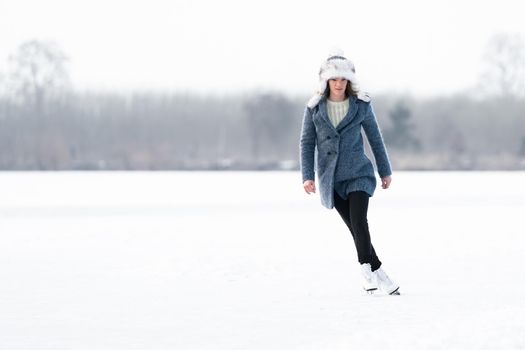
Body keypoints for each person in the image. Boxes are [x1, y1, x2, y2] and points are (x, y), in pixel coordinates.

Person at [299, 48, 400, 295]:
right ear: (326, 81)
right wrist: (307, 176)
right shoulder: (314, 108)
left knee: (359, 221)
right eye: (334, 79)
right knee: (355, 229)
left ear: (349, 81)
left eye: (343, 79)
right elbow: (306, 142)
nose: (338, 84)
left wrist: (384, 171)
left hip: (358, 174)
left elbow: (375, 139)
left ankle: (365, 268)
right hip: (331, 179)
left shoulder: (361, 105)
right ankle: (381, 274)